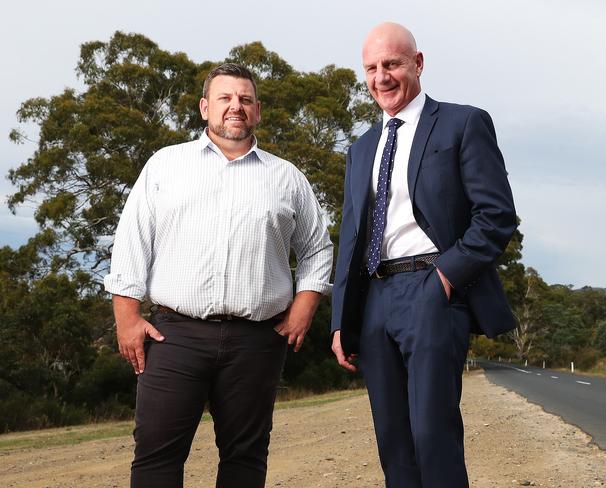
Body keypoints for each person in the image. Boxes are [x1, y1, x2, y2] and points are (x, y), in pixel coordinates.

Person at [104, 63, 333, 488]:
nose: (236, 107)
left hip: (257, 340)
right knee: (156, 455)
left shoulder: (287, 178)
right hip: (174, 338)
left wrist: (304, 306)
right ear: (205, 106)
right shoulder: (165, 166)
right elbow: (131, 241)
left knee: (245, 457)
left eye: (245, 99)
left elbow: (317, 248)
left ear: (258, 111)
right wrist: (127, 318)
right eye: (226, 98)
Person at [331, 22, 517, 487]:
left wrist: (445, 280)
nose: (381, 77)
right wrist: (340, 319)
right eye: (371, 68)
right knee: (393, 441)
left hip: (433, 289)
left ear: (418, 63)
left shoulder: (463, 122)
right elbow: (351, 239)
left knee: (432, 435)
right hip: (375, 299)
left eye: (392, 64)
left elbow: (496, 216)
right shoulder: (361, 148)